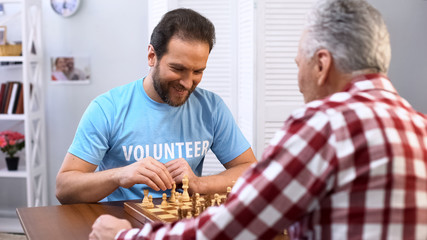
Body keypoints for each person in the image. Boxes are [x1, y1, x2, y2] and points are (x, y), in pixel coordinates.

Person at [89, 0, 427, 239]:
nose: (299, 80)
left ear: (321, 65)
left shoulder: (321, 127)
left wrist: (128, 237)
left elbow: (231, 229)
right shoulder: (420, 126)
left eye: (299, 64)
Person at [56, 8, 257, 204]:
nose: (187, 83)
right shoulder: (107, 108)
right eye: (178, 68)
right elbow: (64, 189)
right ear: (152, 56)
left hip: (181, 226)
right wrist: (119, 175)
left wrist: (199, 184)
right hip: (124, 227)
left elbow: (251, 170)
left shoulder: (211, 107)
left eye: (198, 71)